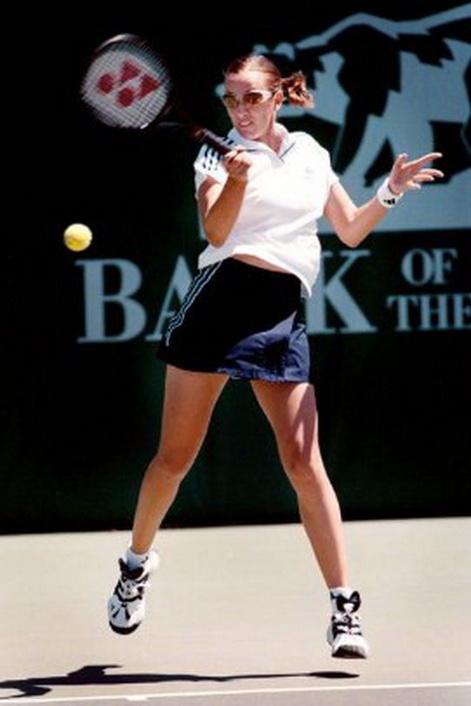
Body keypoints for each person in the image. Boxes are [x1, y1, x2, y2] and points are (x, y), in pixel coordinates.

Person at [107, 54, 443, 658]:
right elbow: (216, 233)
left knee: (303, 463)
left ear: (279, 97)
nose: (241, 111)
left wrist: (389, 192)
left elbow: (349, 229)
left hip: (280, 312)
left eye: (253, 98)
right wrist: (235, 180)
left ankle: (343, 608)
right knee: (174, 459)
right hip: (218, 305)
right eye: (232, 100)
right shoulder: (214, 157)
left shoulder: (310, 152)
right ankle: (135, 565)